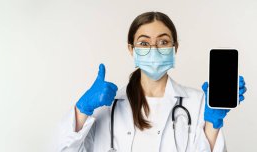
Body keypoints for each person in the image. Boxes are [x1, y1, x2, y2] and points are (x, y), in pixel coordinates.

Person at [56, 12, 247, 152]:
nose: (154, 49)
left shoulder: (197, 103)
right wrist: (82, 109)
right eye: (144, 43)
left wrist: (212, 124)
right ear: (131, 49)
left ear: (175, 48)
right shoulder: (106, 104)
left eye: (163, 42)